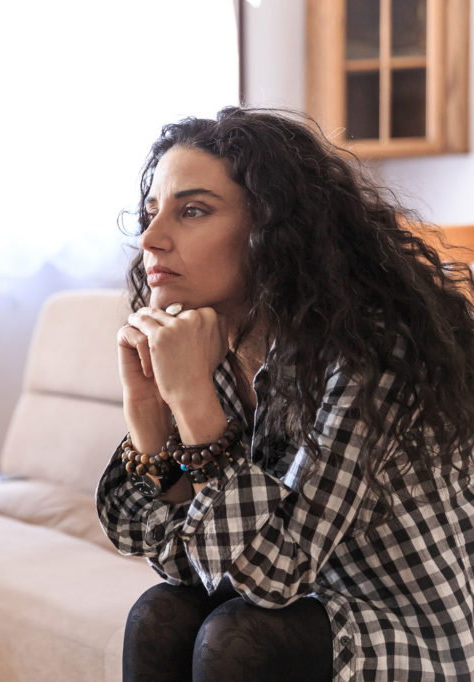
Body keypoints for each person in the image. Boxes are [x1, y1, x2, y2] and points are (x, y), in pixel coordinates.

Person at [96, 107, 474, 681]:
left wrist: (193, 403)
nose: (150, 238)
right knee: (161, 612)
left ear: (271, 229)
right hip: (306, 609)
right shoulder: (210, 344)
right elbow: (185, 567)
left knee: (239, 636)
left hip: (412, 634)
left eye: (192, 211)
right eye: (151, 213)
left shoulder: (371, 351)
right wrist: (149, 416)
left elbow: (276, 575)